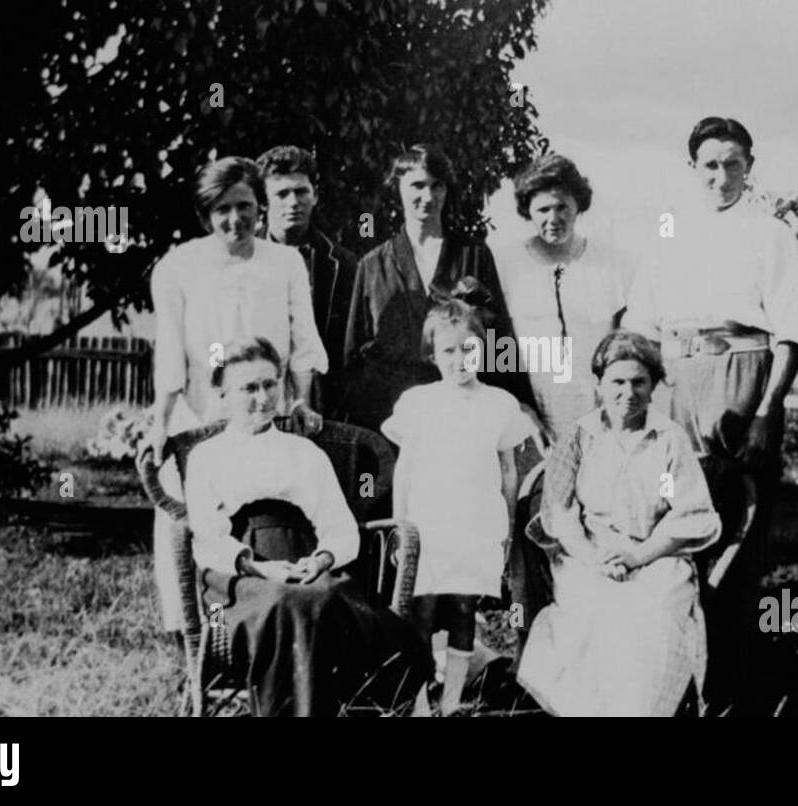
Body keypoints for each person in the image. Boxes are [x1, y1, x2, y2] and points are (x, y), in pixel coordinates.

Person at [621, 116, 798, 713]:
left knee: (738, 542)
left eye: (733, 163)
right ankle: (673, 688)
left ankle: (729, 693)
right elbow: (640, 329)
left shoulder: (773, 234)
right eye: (710, 164)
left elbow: (793, 329)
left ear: (750, 166)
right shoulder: (667, 235)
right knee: (671, 538)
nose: (722, 176)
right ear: (693, 169)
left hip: (744, 381)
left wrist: (765, 409)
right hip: (677, 380)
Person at [183, 336, 432, 717]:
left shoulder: (304, 453)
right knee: (287, 603)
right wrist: (258, 566)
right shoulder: (206, 458)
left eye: (270, 384)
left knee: (320, 600)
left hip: (307, 570)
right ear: (222, 393)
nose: (263, 398)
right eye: (249, 388)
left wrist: (320, 560)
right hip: (235, 584)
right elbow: (206, 537)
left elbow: (340, 528)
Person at [147, 156, 328, 634]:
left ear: (260, 206)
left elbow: (304, 343)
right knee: (188, 526)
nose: (236, 219)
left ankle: (261, 622)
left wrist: (301, 402)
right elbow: (169, 356)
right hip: (199, 418)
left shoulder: (285, 262)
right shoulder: (177, 268)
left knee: (265, 518)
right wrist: (160, 423)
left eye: (245, 206)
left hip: (269, 417)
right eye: (223, 209)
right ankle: (193, 633)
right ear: (206, 214)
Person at [517, 331, 721, 716]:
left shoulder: (669, 439)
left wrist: (637, 556)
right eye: (617, 382)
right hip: (589, 556)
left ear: (653, 386)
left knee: (654, 619)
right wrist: (596, 558)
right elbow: (560, 514)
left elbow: (684, 512)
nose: (628, 392)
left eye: (639, 382)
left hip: (655, 557)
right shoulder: (578, 438)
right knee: (593, 614)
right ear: (598, 386)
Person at [380, 300, 530, 714]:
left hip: (477, 525)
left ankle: (450, 702)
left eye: (469, 349)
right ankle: (419, 699)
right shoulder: (418, 402)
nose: (460, 359)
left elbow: (509, 471)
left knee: (464, 610)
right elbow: (405, 468)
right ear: (432, 355)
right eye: (449, 351)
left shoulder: (499, 403)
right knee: (422, 610)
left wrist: (508, 527)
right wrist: (401, 527)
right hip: (429, 525)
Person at [341, 143, 534, 432]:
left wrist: (520, 401)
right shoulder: (373, 265)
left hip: (465, 409)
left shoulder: (473, 254)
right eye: (417, 186)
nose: (427, 197)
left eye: (437, 186)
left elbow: (498, 336)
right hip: (394, 415)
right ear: (398, 187)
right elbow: (354, 353)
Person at [493, 154, 632, 442]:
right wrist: (518, 408)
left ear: (578, 205)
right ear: (527, 211)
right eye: (542, 209)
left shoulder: (610, 263)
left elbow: (626, 344)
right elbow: (496, 345)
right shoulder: (505, 264)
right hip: (530, 420)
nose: (553, 219)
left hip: (601, 416)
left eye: (562, 207)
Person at [256, 145, 360, 417]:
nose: (293, 202)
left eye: (301, 191)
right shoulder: (241, 260)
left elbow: (352, 349)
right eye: (282, 193)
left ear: (315, 196)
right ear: (264, 201)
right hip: (257, 402)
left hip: (323, 407)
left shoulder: (346, 266)